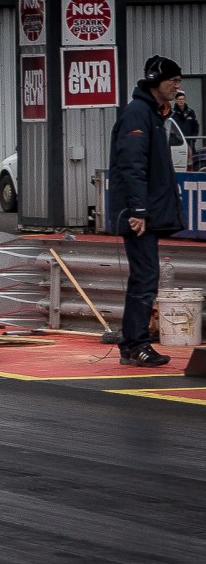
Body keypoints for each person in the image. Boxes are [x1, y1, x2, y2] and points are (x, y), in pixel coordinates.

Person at [108, 55, 185, 368]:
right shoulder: (138, 113)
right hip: (139, 215)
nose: (177, 87)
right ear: (155, 80)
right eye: (173, 81)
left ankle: (132, 344)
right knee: (145, 278)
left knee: (144, 278)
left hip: (146, 211)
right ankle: (137, 345)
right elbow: (132, 165)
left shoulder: (153, 113)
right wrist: (138, 210)